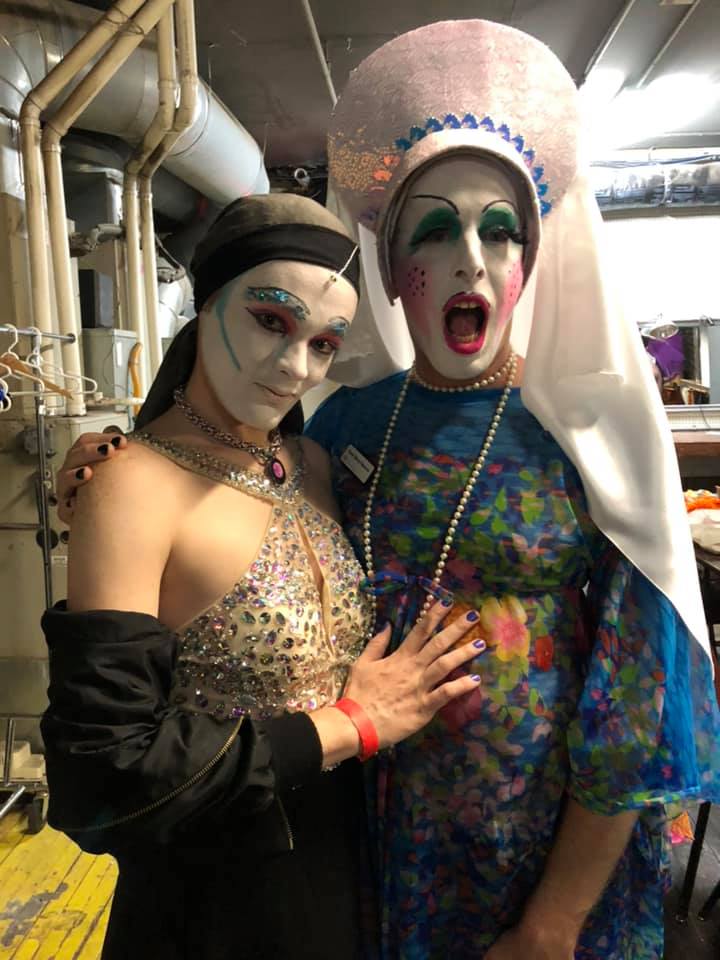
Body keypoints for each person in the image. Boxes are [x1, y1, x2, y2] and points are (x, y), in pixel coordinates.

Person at [56, 19, 720, 960]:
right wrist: (117, 463)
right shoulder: (345, 429)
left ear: (528, 266)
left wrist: (555, 920)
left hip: (531, 853)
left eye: (501, 233)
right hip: (359, 843)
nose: (472, 260)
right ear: (395, 276)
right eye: (436, 231)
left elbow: (638, 696)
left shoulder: (585, 437)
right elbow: (224, 468)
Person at [41, 192, 484, 960]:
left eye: (324, 344)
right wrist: (350, 723)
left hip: (343, 869)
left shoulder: (312, 463)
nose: (294, 367)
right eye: (271, 319)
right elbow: (103, 777)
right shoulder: (131, 483)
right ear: (207, 303)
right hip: (214, 899)